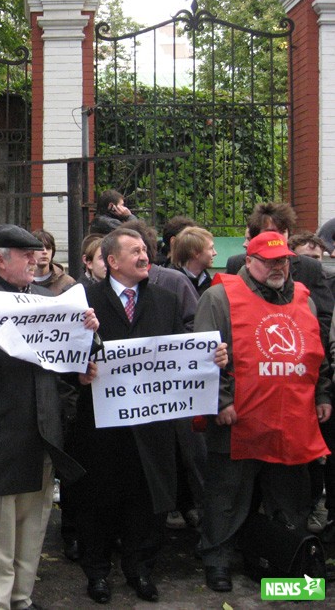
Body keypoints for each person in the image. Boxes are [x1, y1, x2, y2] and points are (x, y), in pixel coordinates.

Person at [71, 228, 226, 604]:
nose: (145, 256)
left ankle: (140, 570)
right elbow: (64, 358)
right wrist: (79, 371)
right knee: (100, 503)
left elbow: (182, 352)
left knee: (147, 503)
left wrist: (212, 358)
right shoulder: (83, 301)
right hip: (101, 428)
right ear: (111, 262)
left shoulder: (167, 299)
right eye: (135, 251)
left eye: (145, 249)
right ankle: (97, 573)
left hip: (152, 424)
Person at [0, 225, 98, 610]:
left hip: (43, 432)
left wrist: (89, 337)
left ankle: (21, 598)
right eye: (26, 255)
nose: (37, 259)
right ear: (1, 260)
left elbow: (69, 364)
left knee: (33, 528)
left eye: (37, 253)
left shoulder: (51, 298)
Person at [196, 232, 332, 592]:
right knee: (226, 497)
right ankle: (217, 559)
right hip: (239, 421)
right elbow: (206, 358)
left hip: (291, 420)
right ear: (250, 261)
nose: (278, 267)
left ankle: (289, 563)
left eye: (283, 261)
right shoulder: (219, 297)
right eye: (270, 261)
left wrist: (322, 394)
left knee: (291, 500)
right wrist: (222, 402)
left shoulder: (303, 298)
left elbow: (316, 354)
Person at [225, 202, 333, 344]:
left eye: (282, 231)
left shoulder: (309, 268)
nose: (277, 237)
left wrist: (307, 343)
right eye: (270, 231)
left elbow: (324, 316)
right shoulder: (236, 264)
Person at [170, 227, 217, 297]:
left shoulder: (207, 281)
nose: (215, 253)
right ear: (196, 253)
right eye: (211, 248)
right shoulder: (172, 283)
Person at [31, 228, 76, 294]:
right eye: (40, 248)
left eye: (48, 248)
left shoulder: (67, 282)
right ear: (30, 251)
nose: (45, 252)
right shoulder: (21, 281)